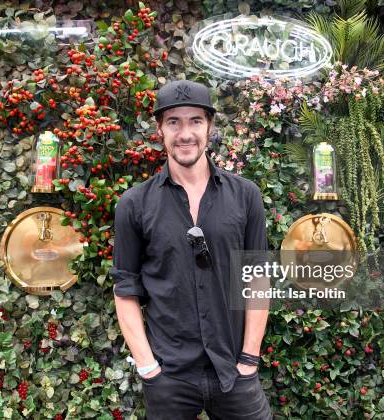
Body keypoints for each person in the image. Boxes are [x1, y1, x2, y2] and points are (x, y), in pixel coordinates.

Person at [109, 80, 272, 419]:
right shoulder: (133, 204)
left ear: (210, 127)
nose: (185, 134)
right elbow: (125, 289)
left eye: (195, 121)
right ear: (159, 130)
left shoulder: (246, 196)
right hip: (169, 377)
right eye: (173, 122)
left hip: (234, 373)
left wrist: (249, 358)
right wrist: (148, 368)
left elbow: (258, 281)